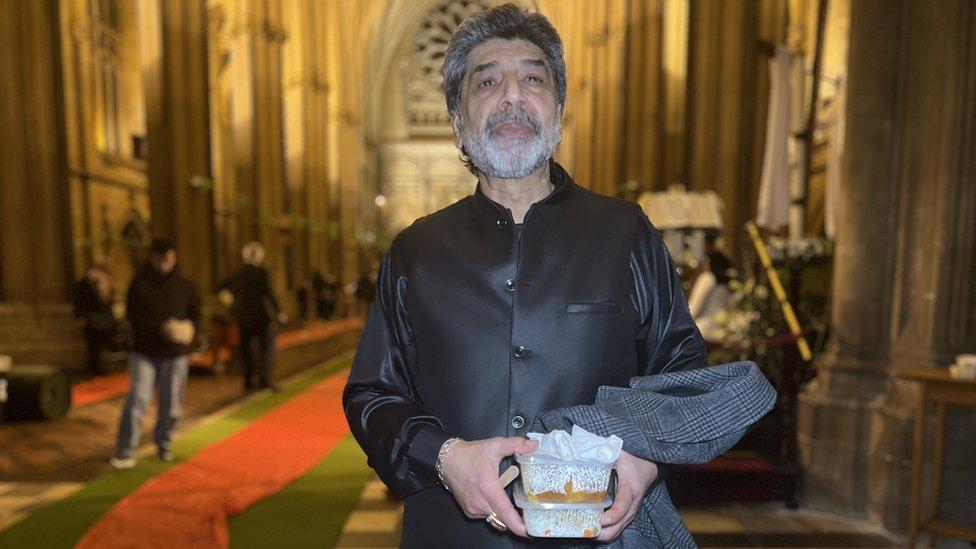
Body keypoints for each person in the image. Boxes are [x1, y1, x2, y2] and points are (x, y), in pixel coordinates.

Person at [343, 5, 707, 546]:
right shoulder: (415, 252)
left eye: (533, 77)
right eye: (487, 81)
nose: (512, 94)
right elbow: (373, 395)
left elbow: (682, 371)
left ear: (559, 107)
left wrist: (645, 461)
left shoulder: (626, 233)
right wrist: (444, 457)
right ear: (457, 121)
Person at [110, 239, 201, 468]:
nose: (165, 263)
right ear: (153, 258)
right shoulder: (139, 284)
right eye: (161, 258)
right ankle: (125, 451)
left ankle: (164, 443)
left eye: (170, 258)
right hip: (145, 351)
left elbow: (195, 313)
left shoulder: (184, 284)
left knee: (171, 404)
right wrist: (160, 327)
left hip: (176, 353)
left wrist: (188, 329)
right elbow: (133, 317)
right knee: (138, 399)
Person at [222, 242, 286, 392]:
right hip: (260, 316)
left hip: (242, 317)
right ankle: (264, 380)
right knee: (265, 349)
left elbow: (223, 289)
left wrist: (232, 307)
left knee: (246, 350)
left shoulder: (237, 272)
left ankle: (248, 381)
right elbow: (269, 294)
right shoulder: (261, 272)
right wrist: (279, 312)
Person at [73, 261, 116, 376]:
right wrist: (80, 316)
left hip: (104, 319)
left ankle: (101, 367)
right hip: (90, 319)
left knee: (103, 344)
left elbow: (109, 301)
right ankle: (92, 369)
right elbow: (79, 301)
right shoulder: (83, 284)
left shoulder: (105, 283)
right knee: (92, 346)